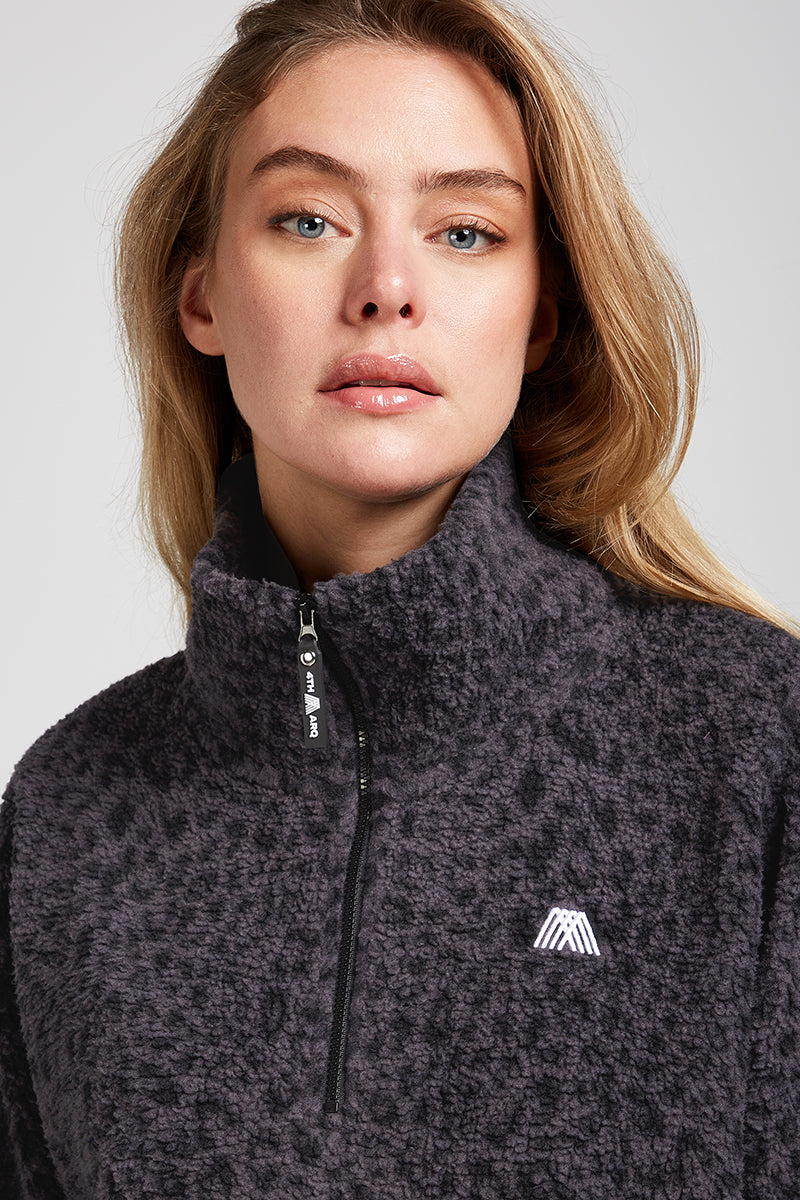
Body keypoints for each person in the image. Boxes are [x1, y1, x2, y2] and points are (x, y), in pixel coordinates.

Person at [2, 0, 798, 1195]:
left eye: (465, 232)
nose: (384, 288)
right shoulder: (69, 811)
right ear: (200, 294)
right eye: (308, 219)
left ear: (541, 313)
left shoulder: (752, 744)